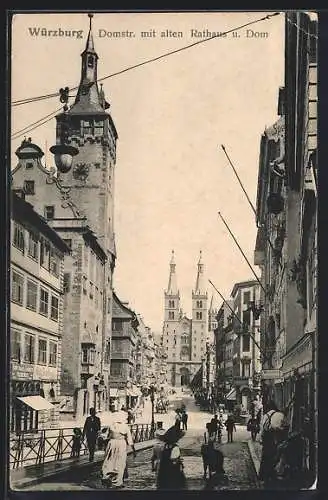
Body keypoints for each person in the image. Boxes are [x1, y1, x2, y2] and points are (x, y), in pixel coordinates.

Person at [101, 406, 137, 489]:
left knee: (109, 461)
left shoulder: (111, 426)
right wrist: (134, 450)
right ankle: (117, 482)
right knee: (120, 462)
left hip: (112, 443)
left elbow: (107, 436)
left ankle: (106, 476)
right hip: (121, 444)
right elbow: (130, 440)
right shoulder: (125, 426)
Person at [258, 400, 288, 486]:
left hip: (265, 438)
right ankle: (270, 475)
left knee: (265, 457)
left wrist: (261, 439)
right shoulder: (278, 415)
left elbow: (262, 428)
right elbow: (279, 427)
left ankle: (262, 475)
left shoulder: (265, 416)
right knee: (273, 457)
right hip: (273, 438)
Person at [156, 426, 187, 490]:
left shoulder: (165, 446)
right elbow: (174, 461)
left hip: (163, 471)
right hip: (173, 472)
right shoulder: (175, 447)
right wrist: (179, 460)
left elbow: (162, 457)